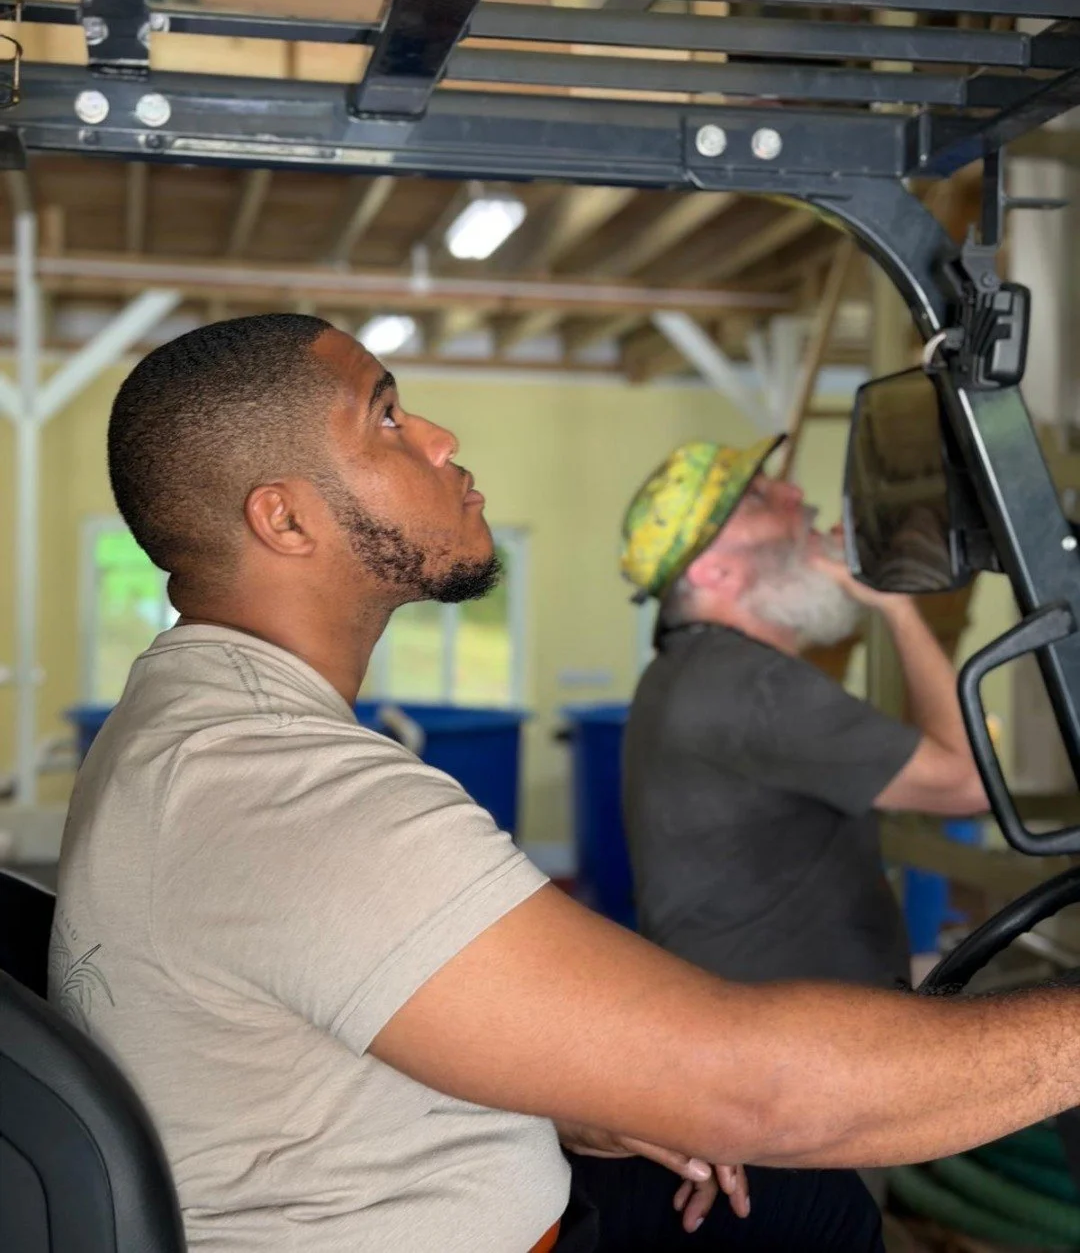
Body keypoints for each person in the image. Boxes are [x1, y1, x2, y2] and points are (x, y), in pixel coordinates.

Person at [50, 316, 1080, 1253]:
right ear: (284, 521)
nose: (442, 437)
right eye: (390, 417)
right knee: (801, 1188)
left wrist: (563, 1099)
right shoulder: (287, 788)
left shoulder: (196, 725)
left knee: (798, 1202)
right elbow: (761, 1093)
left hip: (476, 1183)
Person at [620, 438, 988, 992]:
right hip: (792, 1045)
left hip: (755, 1023)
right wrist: (894, 604)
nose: (795, 493)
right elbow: (966, 784)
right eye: (759, 500)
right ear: (714, 574)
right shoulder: (752, 686)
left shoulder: (688, 669)